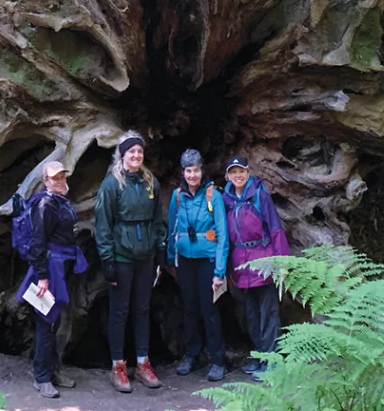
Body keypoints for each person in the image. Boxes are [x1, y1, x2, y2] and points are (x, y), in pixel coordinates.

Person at [94, 131, 165, 393]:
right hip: (122, 257)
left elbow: (157, 219)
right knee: (120, 312)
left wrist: (160, 250)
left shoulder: (150, 182)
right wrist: (107, 260)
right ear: (122, 153)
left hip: (145, 257)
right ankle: (117, 366)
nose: (136, 155)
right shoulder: (111, 184)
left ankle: (143, 363)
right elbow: (102, 226)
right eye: (131, 151)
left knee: (142, 310)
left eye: (139, 151)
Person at [16, 160, 88, 399]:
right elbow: (38, 242)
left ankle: (53, 370)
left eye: (62, 176)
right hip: (49, 270)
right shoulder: (45, 204)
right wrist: (43, 277)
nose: (60, 181)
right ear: (45, 181)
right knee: (46, 323)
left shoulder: (60, 202)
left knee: (56, 322)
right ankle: (42, 378)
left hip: (61, 266)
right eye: (55, 178)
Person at [222, 155, 290, 376]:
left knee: (268, 314)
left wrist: (282, 262)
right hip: (242, 267)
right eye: (233, 172)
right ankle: (259, 356)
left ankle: (271, 361)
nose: (238, 175)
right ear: (228, 176)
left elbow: (275, 229)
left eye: (241, 171)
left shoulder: (260, 196)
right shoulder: (227, 200)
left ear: (248, 172)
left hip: (264, 263)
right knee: (251, 315)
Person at [166, 148, 229, 381]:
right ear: (183, 172)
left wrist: (219, 271)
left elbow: (223, 235)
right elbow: (172, 229)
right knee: (189, 309)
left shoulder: (214, 196)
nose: (192, 175)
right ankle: (192, 355)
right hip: (185, 261)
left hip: (208, 260)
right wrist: (170, 261)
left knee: (209, 310)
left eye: (196, 170)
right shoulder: (178, 196)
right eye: (188, 170)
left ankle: (217, 359)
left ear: (202, 171)